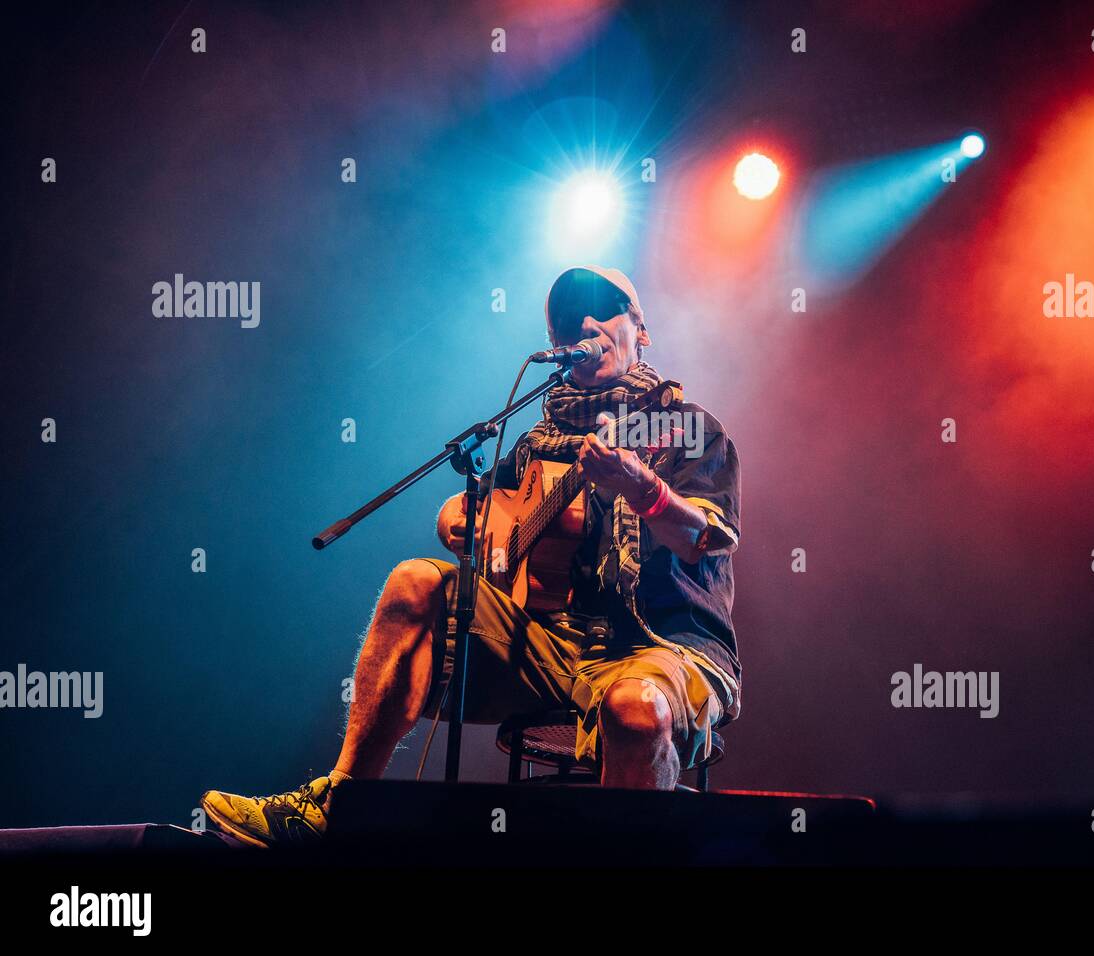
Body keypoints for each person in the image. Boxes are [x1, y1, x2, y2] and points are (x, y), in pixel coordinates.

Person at [201, 266, 742, 846]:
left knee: (634, 707)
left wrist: (646, 490)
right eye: (569, 317)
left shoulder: (684, 427)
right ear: (558, 344)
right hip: (551, 648)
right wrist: (459, 522)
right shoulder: (537, 444)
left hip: (659, 649)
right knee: (416, 581)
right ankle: (339, 804)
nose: (586, 322)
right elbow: (468, 512)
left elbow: (706, 539)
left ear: (642, 328)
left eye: (607, 307)